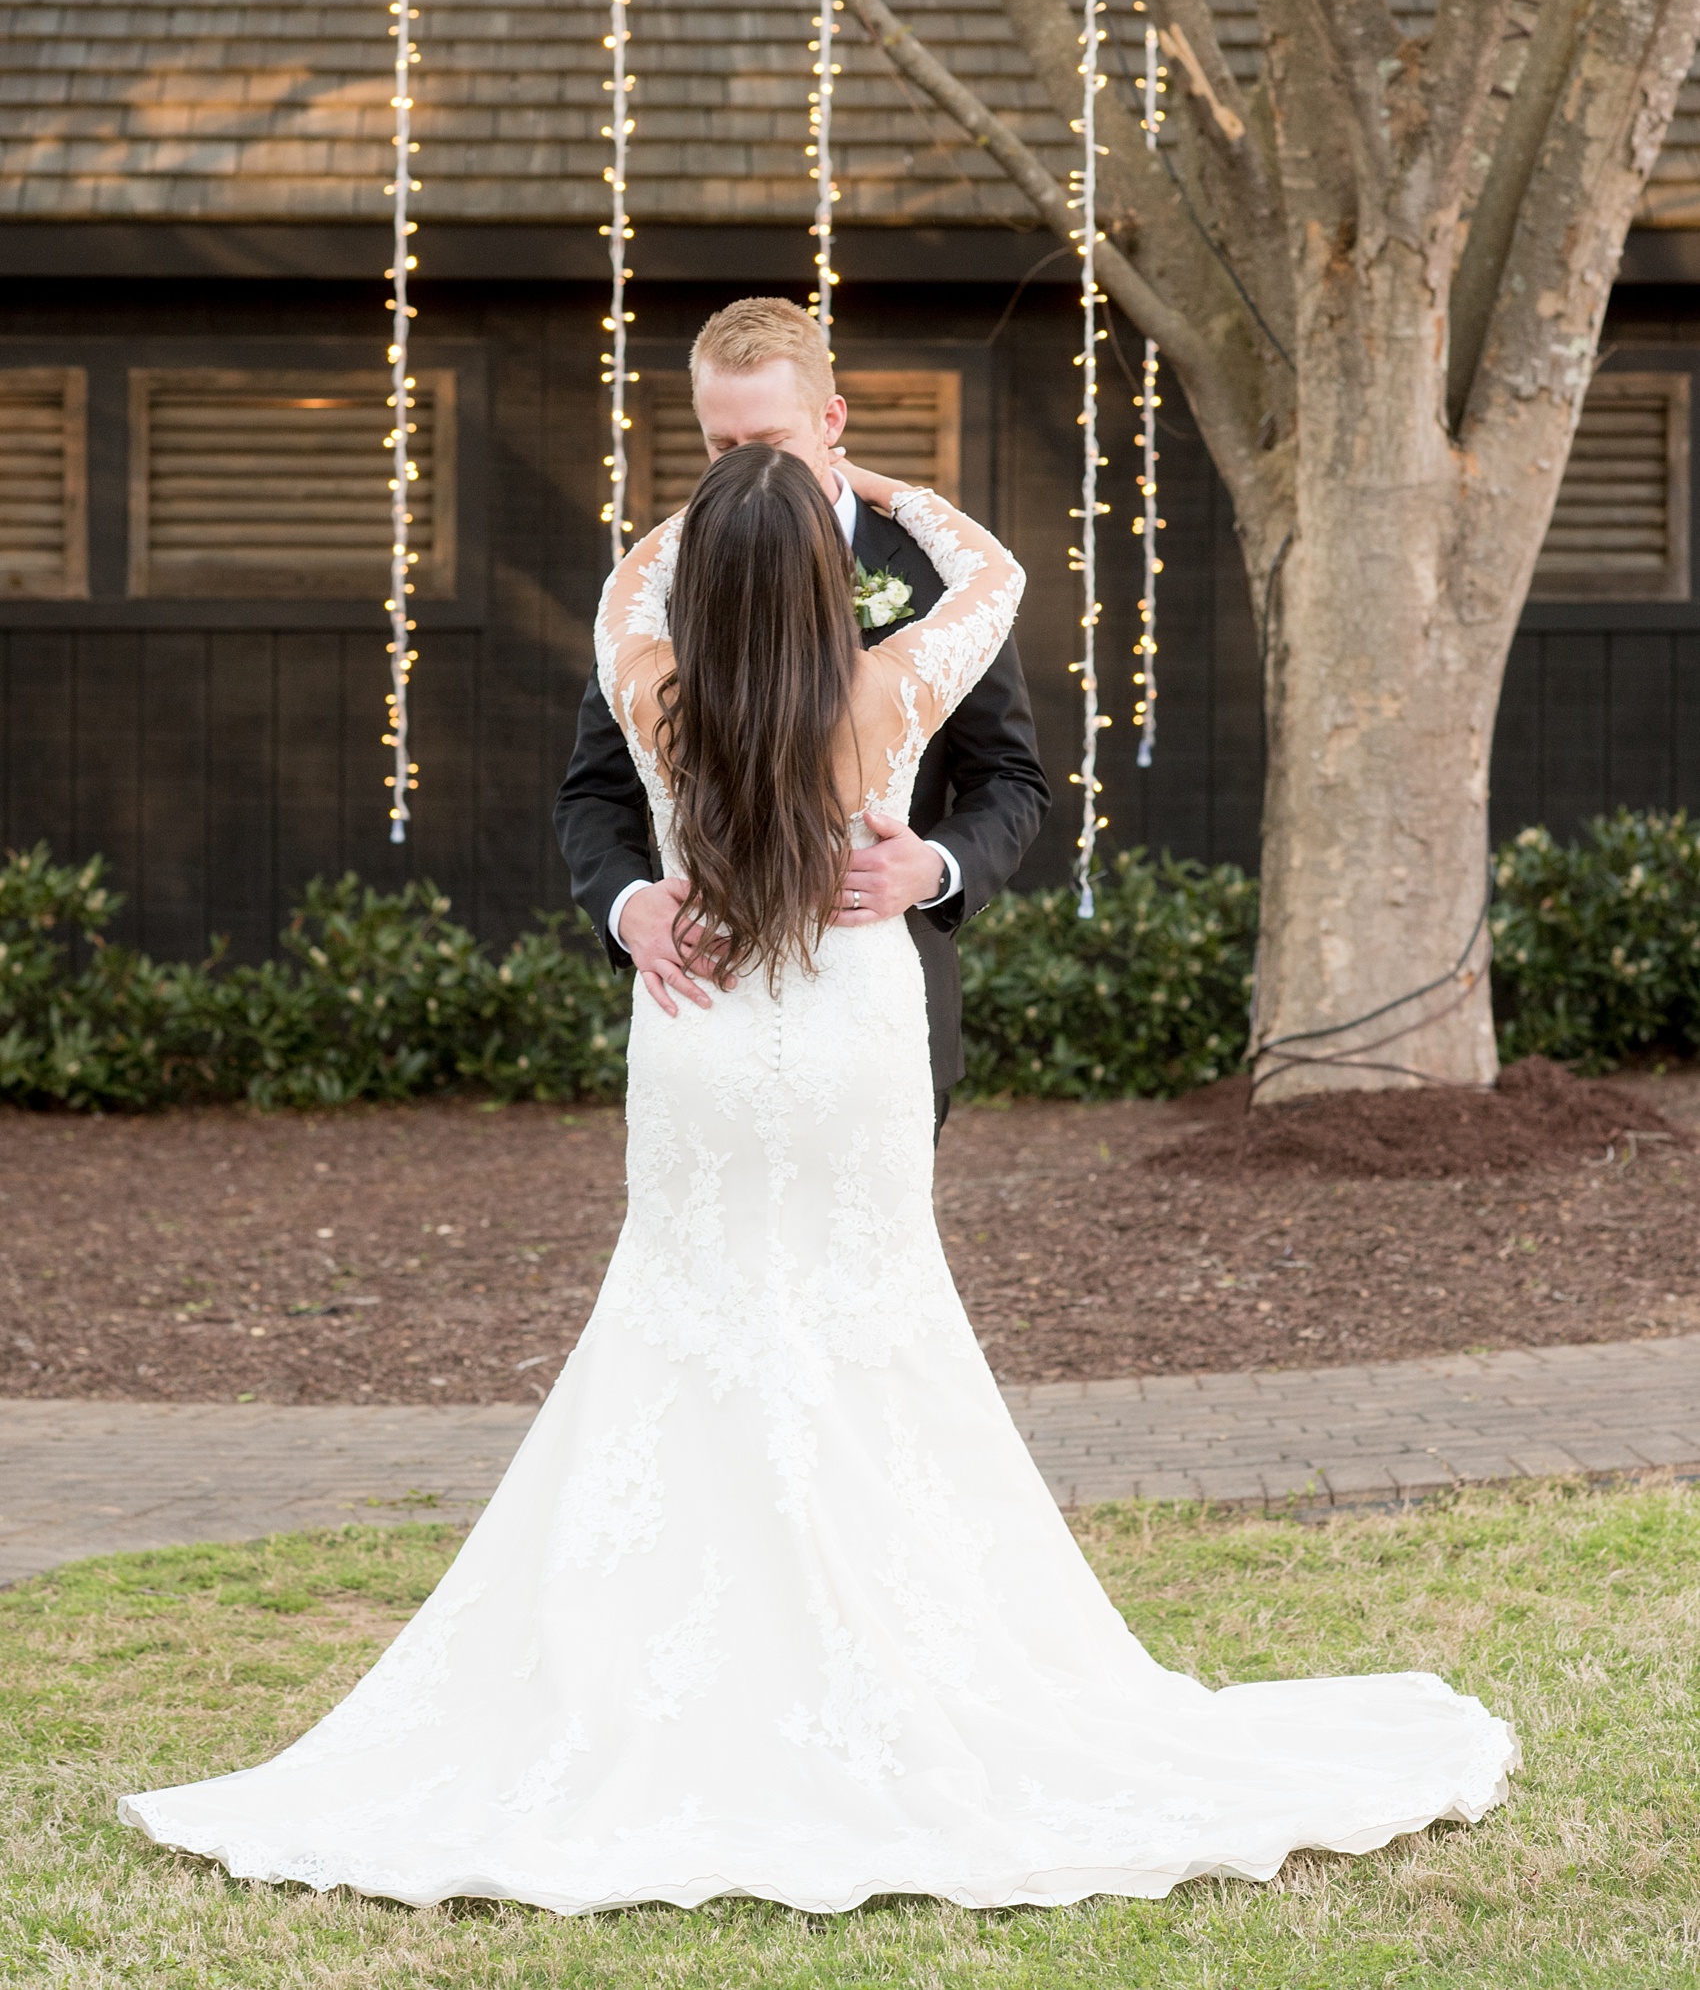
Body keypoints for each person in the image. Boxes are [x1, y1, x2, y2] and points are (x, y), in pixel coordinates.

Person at [119, 394, 1515, 1914]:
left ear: (694, 572)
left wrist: (732, 506)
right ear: (816, 573)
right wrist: (850, 483)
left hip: (703, 1041)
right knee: (874, 1321)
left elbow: (634, 593)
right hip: (847, 1032)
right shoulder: (892, 685)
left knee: (682, 1320)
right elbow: (994, 570)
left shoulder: (647, 673)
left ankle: (661, 1668)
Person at [555, 298, 1051, 1137]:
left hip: (886, 1007)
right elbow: (593, 793)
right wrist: (626, 902)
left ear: (831, 420)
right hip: (705, 1000)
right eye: (722, 448)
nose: (744, 470)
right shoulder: (675, 588)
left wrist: (935, 867)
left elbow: (1011, 778)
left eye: (771, 445)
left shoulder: (918, 577)